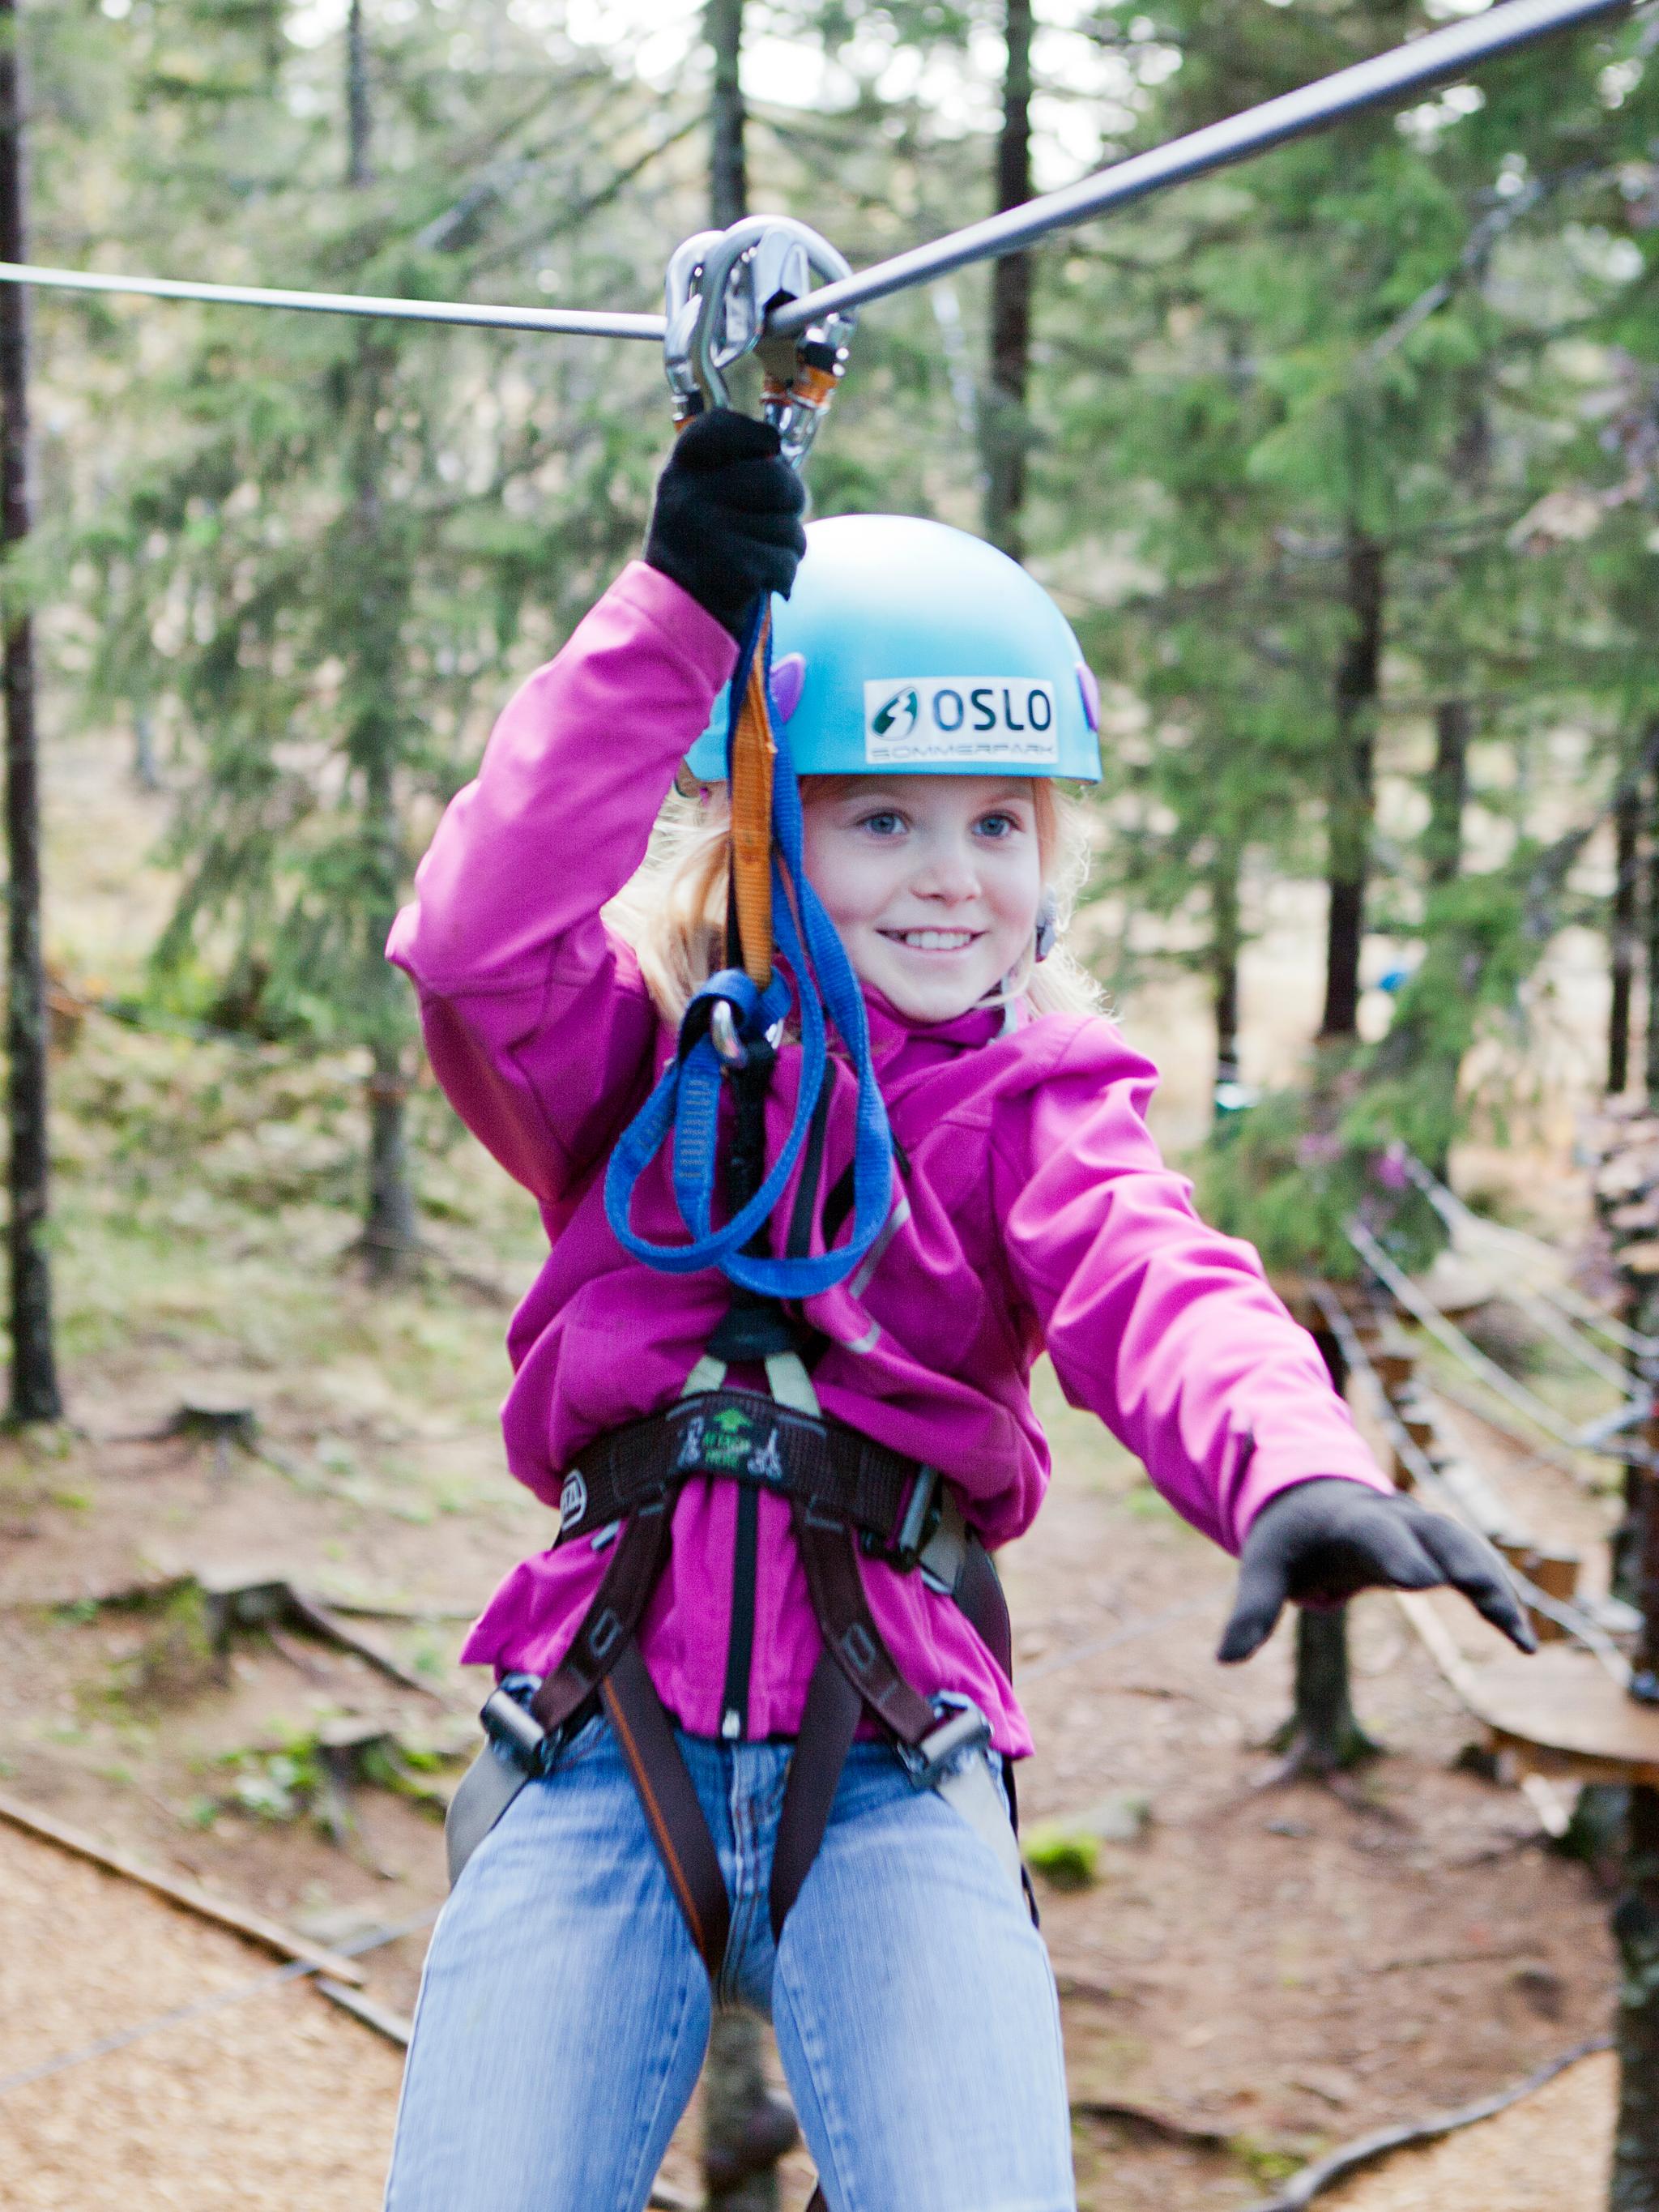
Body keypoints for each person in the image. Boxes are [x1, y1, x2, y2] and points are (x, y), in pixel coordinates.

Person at [380, 410, 1533, 2212]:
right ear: (764, 836)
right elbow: (473, 939)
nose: (952, 874)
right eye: (883, 818)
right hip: (604, 1728)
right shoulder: (631, 1067)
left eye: (1000, 821)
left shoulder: (1032, 1110)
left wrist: (1293, 1465)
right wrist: (674, 616)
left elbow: (1155, 1273)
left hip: (891, 1757)